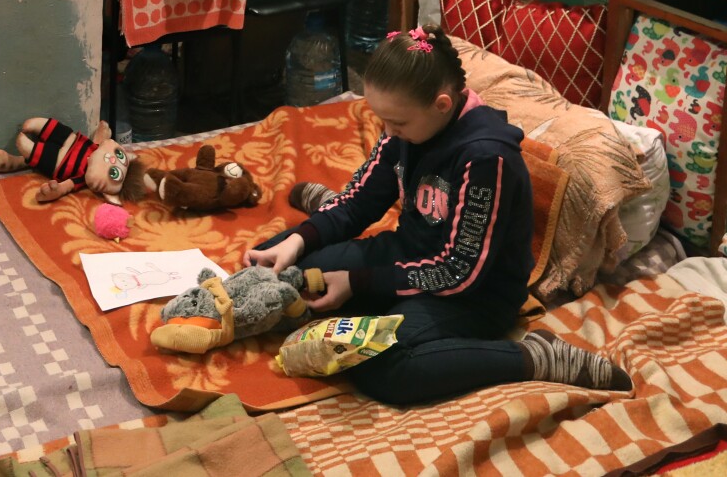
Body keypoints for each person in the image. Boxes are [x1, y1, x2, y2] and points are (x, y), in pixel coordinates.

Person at [248, 27, 630, 405]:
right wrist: (300, 240)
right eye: (381, 119)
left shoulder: (485, 158)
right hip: (408, 254)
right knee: (278, 258)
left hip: (473, 294)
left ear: (442, 105)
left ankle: (533, 357)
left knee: (381, 364)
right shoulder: (406, 128)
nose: (388, 131)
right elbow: (359, 201)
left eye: (397, 123)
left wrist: (359, 282)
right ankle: (325, 224)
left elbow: (459, 271)